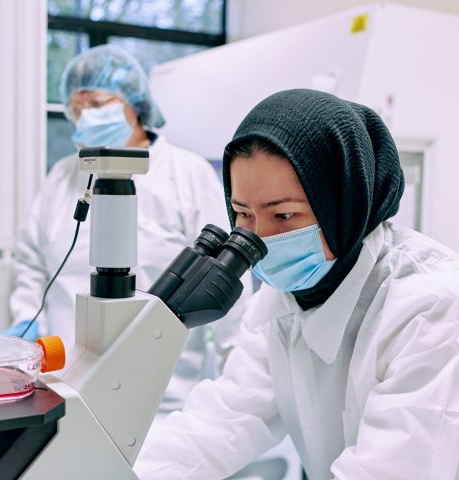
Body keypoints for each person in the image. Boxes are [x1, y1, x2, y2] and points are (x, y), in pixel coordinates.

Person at [135, 89, 459, 479]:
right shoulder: (284, 297)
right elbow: (226, 417)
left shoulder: (431, 308)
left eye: (284, 215)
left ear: (343, 206)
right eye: (242, 214)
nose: (259, 238)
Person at [6, 45, 250, 417]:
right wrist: (27, 319)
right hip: (63, 386)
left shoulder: (186, 174)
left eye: (98, 104)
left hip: (163, 398)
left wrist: (241, 376)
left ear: (135, 104)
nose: (85, 117)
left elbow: (226, 278)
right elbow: (31, 262)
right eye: (76, 108)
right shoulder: (63, 176)